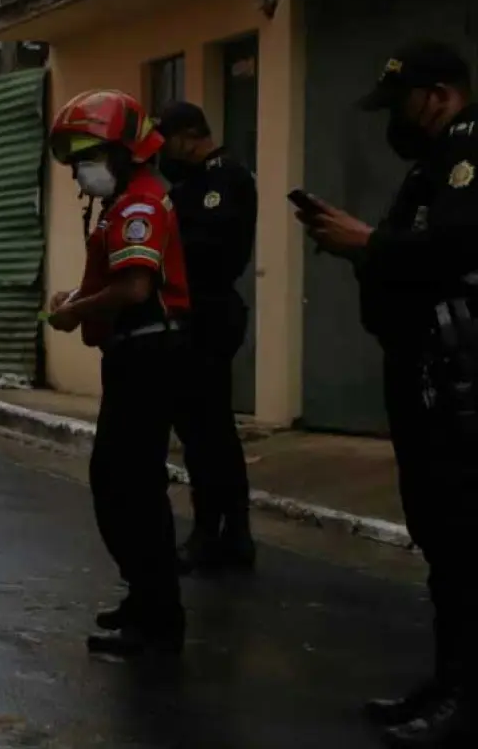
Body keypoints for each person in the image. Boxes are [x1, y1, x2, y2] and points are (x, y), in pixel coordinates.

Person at [300, 40, 478, 747]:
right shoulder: (428, 168)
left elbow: (458, 245)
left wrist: (369, 243)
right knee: (442, 538)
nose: (393, 121)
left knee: (465, 538)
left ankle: (464, 700)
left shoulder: (469, 153)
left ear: (437, 94)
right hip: (424, 371)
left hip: (460, 374)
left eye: (400, 102)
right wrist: (362, 249)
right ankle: (447, 682)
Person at [46, 89, 192, 656]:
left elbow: (135, 288)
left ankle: (159, 619)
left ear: (125, 152)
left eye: (90, 156)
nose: (82, 170)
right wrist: (78, 296)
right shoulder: (129, 200)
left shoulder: (138, 205)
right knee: (124, 484)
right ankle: (147, 600)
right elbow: (117, 280)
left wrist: (72, 312)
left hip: (149, 355)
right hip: (138, 353)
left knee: (128, 487)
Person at [155, 101, 258, 575]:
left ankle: (222, 533)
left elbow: (210, 246)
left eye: (168, 140)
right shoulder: (190, 185)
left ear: (189, 136)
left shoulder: (224, 177)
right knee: (201, 431)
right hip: (192, 313)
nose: (163, 151)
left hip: (211, 312)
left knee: (209, 431)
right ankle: (221, 532)